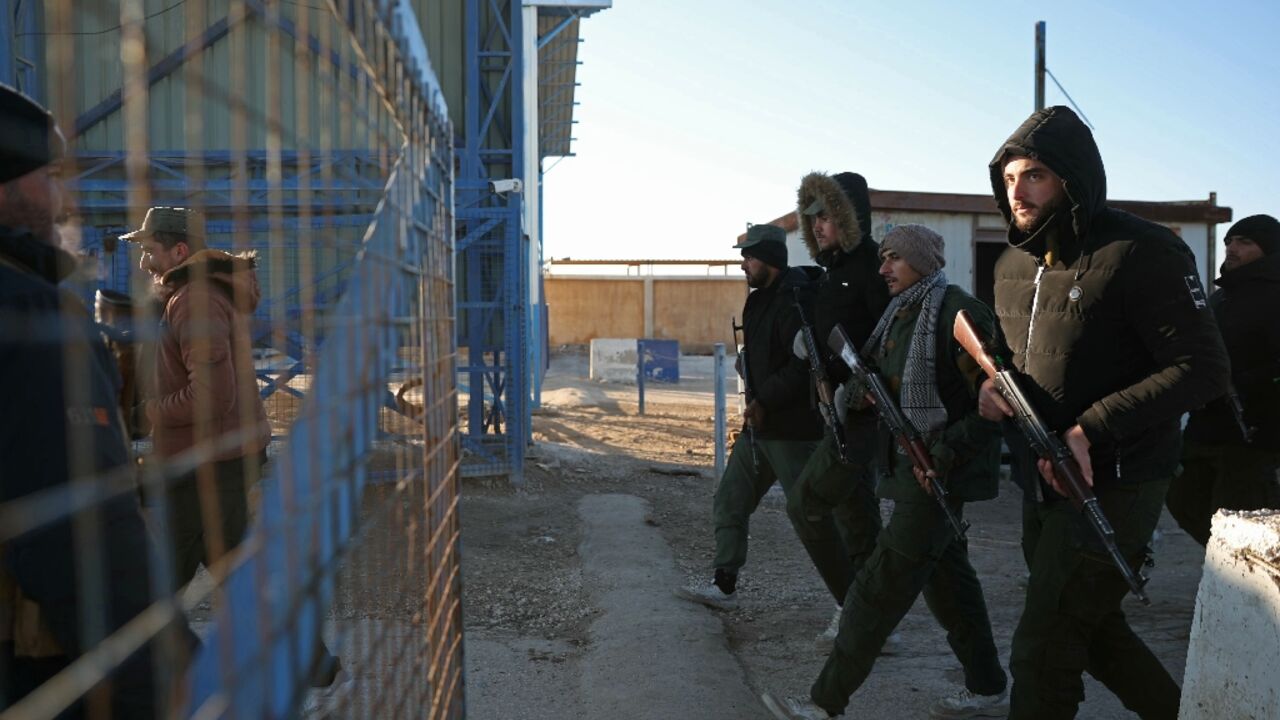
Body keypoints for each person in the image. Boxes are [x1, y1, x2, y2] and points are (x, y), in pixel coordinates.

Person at [980, 106, 1229, 719]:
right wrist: (987, 391)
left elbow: (1201, 368)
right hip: (1040, 479)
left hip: (1119, 478)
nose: (1018, 192)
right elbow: (1009, 362)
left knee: (1044, 649)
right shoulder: (1012, 264)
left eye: (1035, 175)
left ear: (1072, 177)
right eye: (1009, 178)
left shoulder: (1142, 250)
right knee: (1091, 632)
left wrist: (1090, 428)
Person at [762, 225, 1008, 720]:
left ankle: (824, 702)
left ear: (921, 261)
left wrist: (943, 455)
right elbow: (878, 378)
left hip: (940, 475)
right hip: (911, 467)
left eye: (894, 257)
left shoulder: (958, 313)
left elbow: (996, 403)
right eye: (883, 257)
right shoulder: (900, 313)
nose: (883, 268)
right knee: (950, 586)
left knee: (878, 586)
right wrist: (853, 395)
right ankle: (987, 688)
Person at [0, 83, 192, 716]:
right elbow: (82, 535)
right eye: (49, 177)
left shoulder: (190, 305)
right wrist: (167, 679)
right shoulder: (35, 314)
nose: (62, 199)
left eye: (150, 250)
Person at [125, 206, 342, 687]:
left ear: (179, 251)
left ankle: (140, 678)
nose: (143, 262)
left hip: (206, 463)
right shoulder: (196, 295)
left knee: (163, 580)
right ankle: (308, 660)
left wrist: (152, 412)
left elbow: (211, 396)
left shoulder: (195, 301)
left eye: (149, 250)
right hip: (216, 458)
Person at [675, 224, 831, 608]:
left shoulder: (797, 300)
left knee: (813, 517)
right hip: (759, 427)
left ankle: (853, 601)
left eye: (749, 257)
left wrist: (765, 400)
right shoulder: (758, 300)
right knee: (730, 498)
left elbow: (802, 366)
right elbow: (765, 356)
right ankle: (724, 584)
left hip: (793, 431)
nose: (743, 264)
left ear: (770, 259)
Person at [790, 171, 893, 646]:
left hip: (864, 412)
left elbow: (887, 337)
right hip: (838, 409)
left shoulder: (872, 265)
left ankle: (857, 610)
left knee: (808, 504)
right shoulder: (833, 269)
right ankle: (866, 616)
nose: (817, 227)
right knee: (856, 516)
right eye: (812, 219)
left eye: (826, 217)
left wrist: (856, 389)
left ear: (849, 218)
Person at [1167, 214, 1280, 545]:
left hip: (1254, 434)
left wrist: (1243, 384)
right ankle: (1225, 560)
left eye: (1245, 242)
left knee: (1239, 517)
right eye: (1229, 240)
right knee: (1183, 499)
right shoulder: (1219, 296)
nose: (1232, 247)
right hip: (1206, 426)